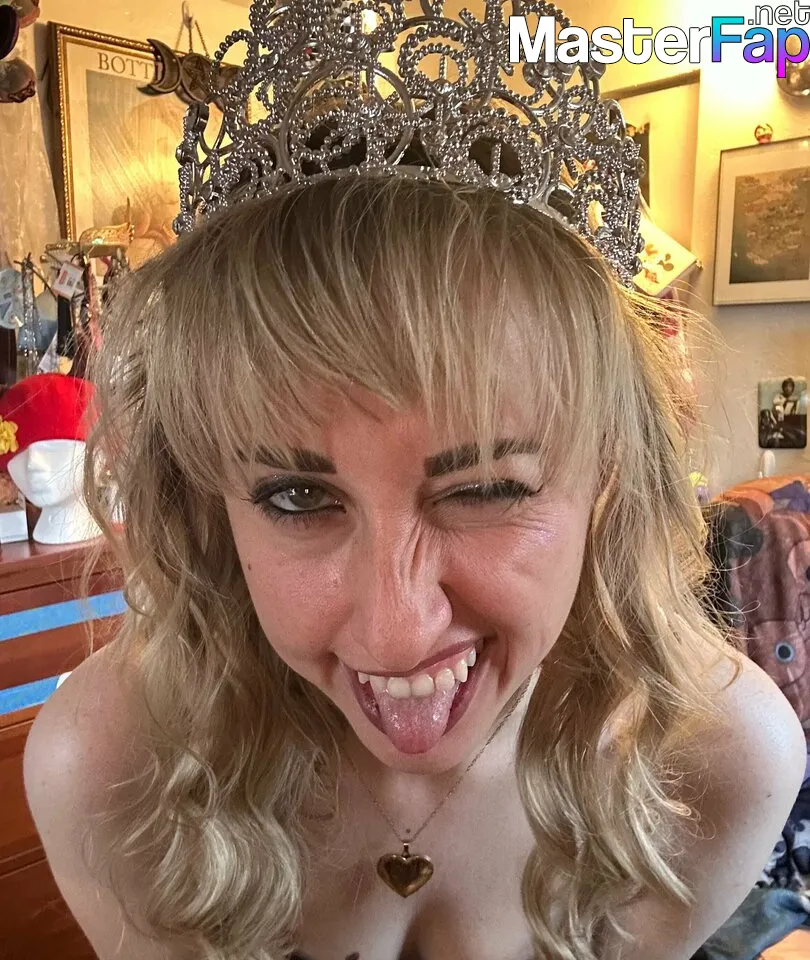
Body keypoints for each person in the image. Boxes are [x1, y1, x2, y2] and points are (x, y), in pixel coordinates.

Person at [22, 3, 806, 960]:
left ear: (609, 467)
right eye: (296, 497)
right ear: (208, 497)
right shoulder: (112, 769)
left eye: (485, 490)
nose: (396, 631)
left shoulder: (715, 765)